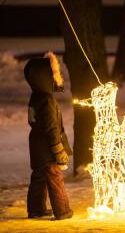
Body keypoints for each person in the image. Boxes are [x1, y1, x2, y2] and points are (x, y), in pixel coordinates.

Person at [24, 52, 73, 220]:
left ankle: (36, 209)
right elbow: (52, 128)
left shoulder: (35, 96)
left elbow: (33, 120)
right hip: (47, 147)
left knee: (39, 177)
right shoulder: (47, 99)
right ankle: (63, 211)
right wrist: (58, 149)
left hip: (36, 145)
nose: (55, 77)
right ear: (44, 77)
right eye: (52, 74)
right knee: (54, 178)